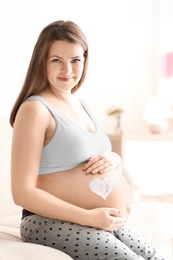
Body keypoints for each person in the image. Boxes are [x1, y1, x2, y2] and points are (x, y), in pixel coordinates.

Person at [10, 20, 164, 260]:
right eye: (56, 60)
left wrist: (114, 159)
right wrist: (90, 217)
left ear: (85, 60)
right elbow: (22, 192)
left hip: (99, 220)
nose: (67, 70)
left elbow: (89, 161)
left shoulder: (82, 105)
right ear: (42, 61)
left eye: (75, 60)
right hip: (47, 221)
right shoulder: (35, 110)